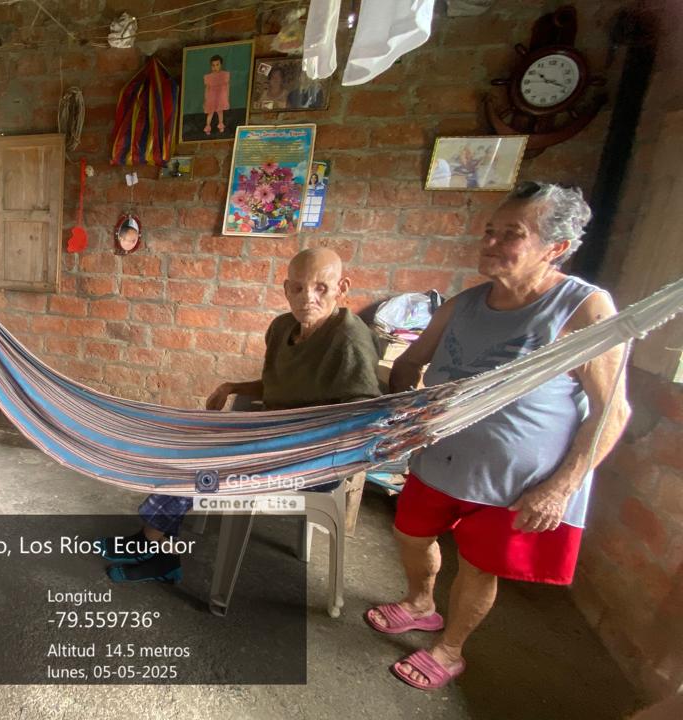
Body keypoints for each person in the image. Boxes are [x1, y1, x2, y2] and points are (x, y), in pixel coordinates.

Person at [367, 182, 630, 691]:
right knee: (411, 534)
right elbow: (409, 363)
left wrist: (560, 488)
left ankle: (450, 650)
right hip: (439, 460)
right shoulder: (463, 305)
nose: (489, 242)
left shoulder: (583, 310)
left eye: (511, 234)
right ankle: (420, 604)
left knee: (478, 566)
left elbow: (611, 411)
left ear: (555, 247)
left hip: (515, 482)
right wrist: (407, 420)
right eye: (490, 230)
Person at [98, 248, 383, 582]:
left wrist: (294, 443)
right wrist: (231, 387)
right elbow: (280, 388)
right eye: (298, 287)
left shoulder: (349, 340)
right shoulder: (282, 328)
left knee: (203, 465)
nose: (308, 297)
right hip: (272, 437)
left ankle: (151, 543)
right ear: (286, 289)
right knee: (187, 445)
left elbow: (363, 417)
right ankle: (161, 550)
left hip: (314, 459)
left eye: (321, 287)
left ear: (342, 288)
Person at [202, 54, 230, 135]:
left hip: (220, 97)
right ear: (211, 66)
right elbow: (207, 89)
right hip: (211, 97)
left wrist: (226, 97)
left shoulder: (225, 75)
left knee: (220, 112)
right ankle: (208, 127)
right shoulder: (208, 77)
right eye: (213, 65)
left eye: (217, 65)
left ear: (221, 65)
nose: (215, 67)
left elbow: (227, 87)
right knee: (210, 112)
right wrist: (206, 99)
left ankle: (221, 125)